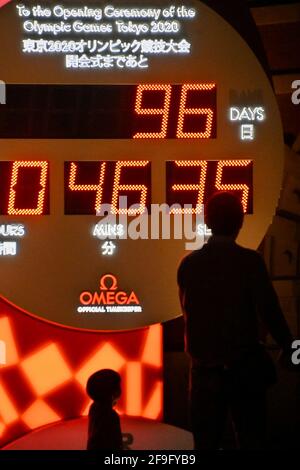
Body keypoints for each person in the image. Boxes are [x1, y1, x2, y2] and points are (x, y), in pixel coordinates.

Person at [177, 192, 293, 450]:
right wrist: (291, 348)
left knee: (206, 444)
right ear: (240, 222)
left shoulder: (189, 265)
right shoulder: (250, 262)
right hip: (245, 368)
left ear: (207, 222)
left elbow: (188, 312)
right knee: (251, 440)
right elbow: (270, 311)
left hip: (203, 370)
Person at [86, 369, 123, 450]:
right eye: (119, 386)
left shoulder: (93, 407)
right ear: (114, 392)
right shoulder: (111, 416)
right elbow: (116, 442)